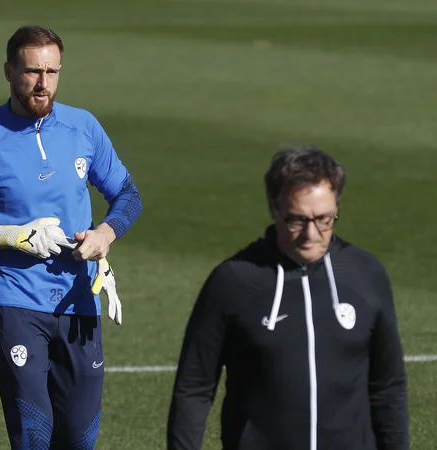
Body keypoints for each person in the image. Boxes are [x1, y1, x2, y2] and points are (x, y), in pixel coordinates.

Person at [0, 25, 142, 449]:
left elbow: (128, 195)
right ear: (8, 71)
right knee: (33, 436)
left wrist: (105, 233)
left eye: (52, 72)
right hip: (15, 302)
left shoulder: (83, 128)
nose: (43, 84)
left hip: (80, 300)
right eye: (31, 72)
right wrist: (10, 236)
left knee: (80, 439)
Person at [166, 147, 409, 450]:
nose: (311, 234)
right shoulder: (234, 281)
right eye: (297, 220)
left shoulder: (366, 275)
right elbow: (194, 388)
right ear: (272, 208)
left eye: (324, 219)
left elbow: (388, 386)